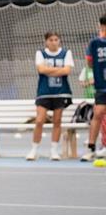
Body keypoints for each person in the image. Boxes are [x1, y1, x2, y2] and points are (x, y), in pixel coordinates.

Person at [28, 32, 73, 162]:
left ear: (59, 41)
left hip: (61, 91)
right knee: (39, 120)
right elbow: (41, 70)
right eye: (51, 40)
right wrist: (59, 70)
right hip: (44, 92)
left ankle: (54, 150)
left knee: (57, 121)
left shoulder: (66, 53)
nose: (53, 42)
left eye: (56, 39)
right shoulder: (40, 53)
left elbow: (67, 71)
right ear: (46, 42)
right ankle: (34, 150)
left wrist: (50, 70)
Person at [81, 15, 106, 162]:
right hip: (102, 85)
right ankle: (91, 148)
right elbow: (89, 63)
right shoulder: (94, 43)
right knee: (98, 113)